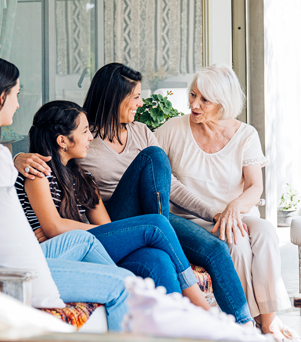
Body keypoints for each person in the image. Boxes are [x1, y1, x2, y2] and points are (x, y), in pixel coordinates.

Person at [0, 54, 131, 331]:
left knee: (90, 245)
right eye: (16, 94)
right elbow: (6, 226)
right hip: (3, 271)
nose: (18, 103)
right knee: (124, 284)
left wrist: (12, 159)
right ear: (1, 98)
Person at [78, 63, 253, 326]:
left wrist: (213, 213)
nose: (140, 102)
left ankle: (244, 328)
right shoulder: (83, 138)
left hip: (156, 220)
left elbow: (172, 186)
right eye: (135, 96)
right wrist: (20, 158)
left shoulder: (141, 132)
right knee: (154, 157)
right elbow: (50, 160)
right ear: (116, 97)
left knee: (215, 248)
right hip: (118, 222)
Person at [17, 100, 211, 310]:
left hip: (93, 248)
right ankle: (200, 307)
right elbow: (54, 228)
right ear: (63, 140)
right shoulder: (38, 174)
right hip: (65, 254)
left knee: (159, 259)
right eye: (84, 131)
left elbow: (105, 225)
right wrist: (95, 231)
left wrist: (92, 231)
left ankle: (178, 327)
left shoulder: (84, 178)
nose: (91, 137)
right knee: (156, 224)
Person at [154, 65, 301, 342]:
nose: (194, 104)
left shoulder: (245, 134)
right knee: (237, 242)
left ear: (223, 102)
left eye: (204, 100)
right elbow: (150, 168)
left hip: (235, 214)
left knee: (267, 231)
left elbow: (255, 186)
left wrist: (235, 207)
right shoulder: (173, 129)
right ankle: (243, 321)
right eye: (193, 95)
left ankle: (268, 318)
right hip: (193, 219)